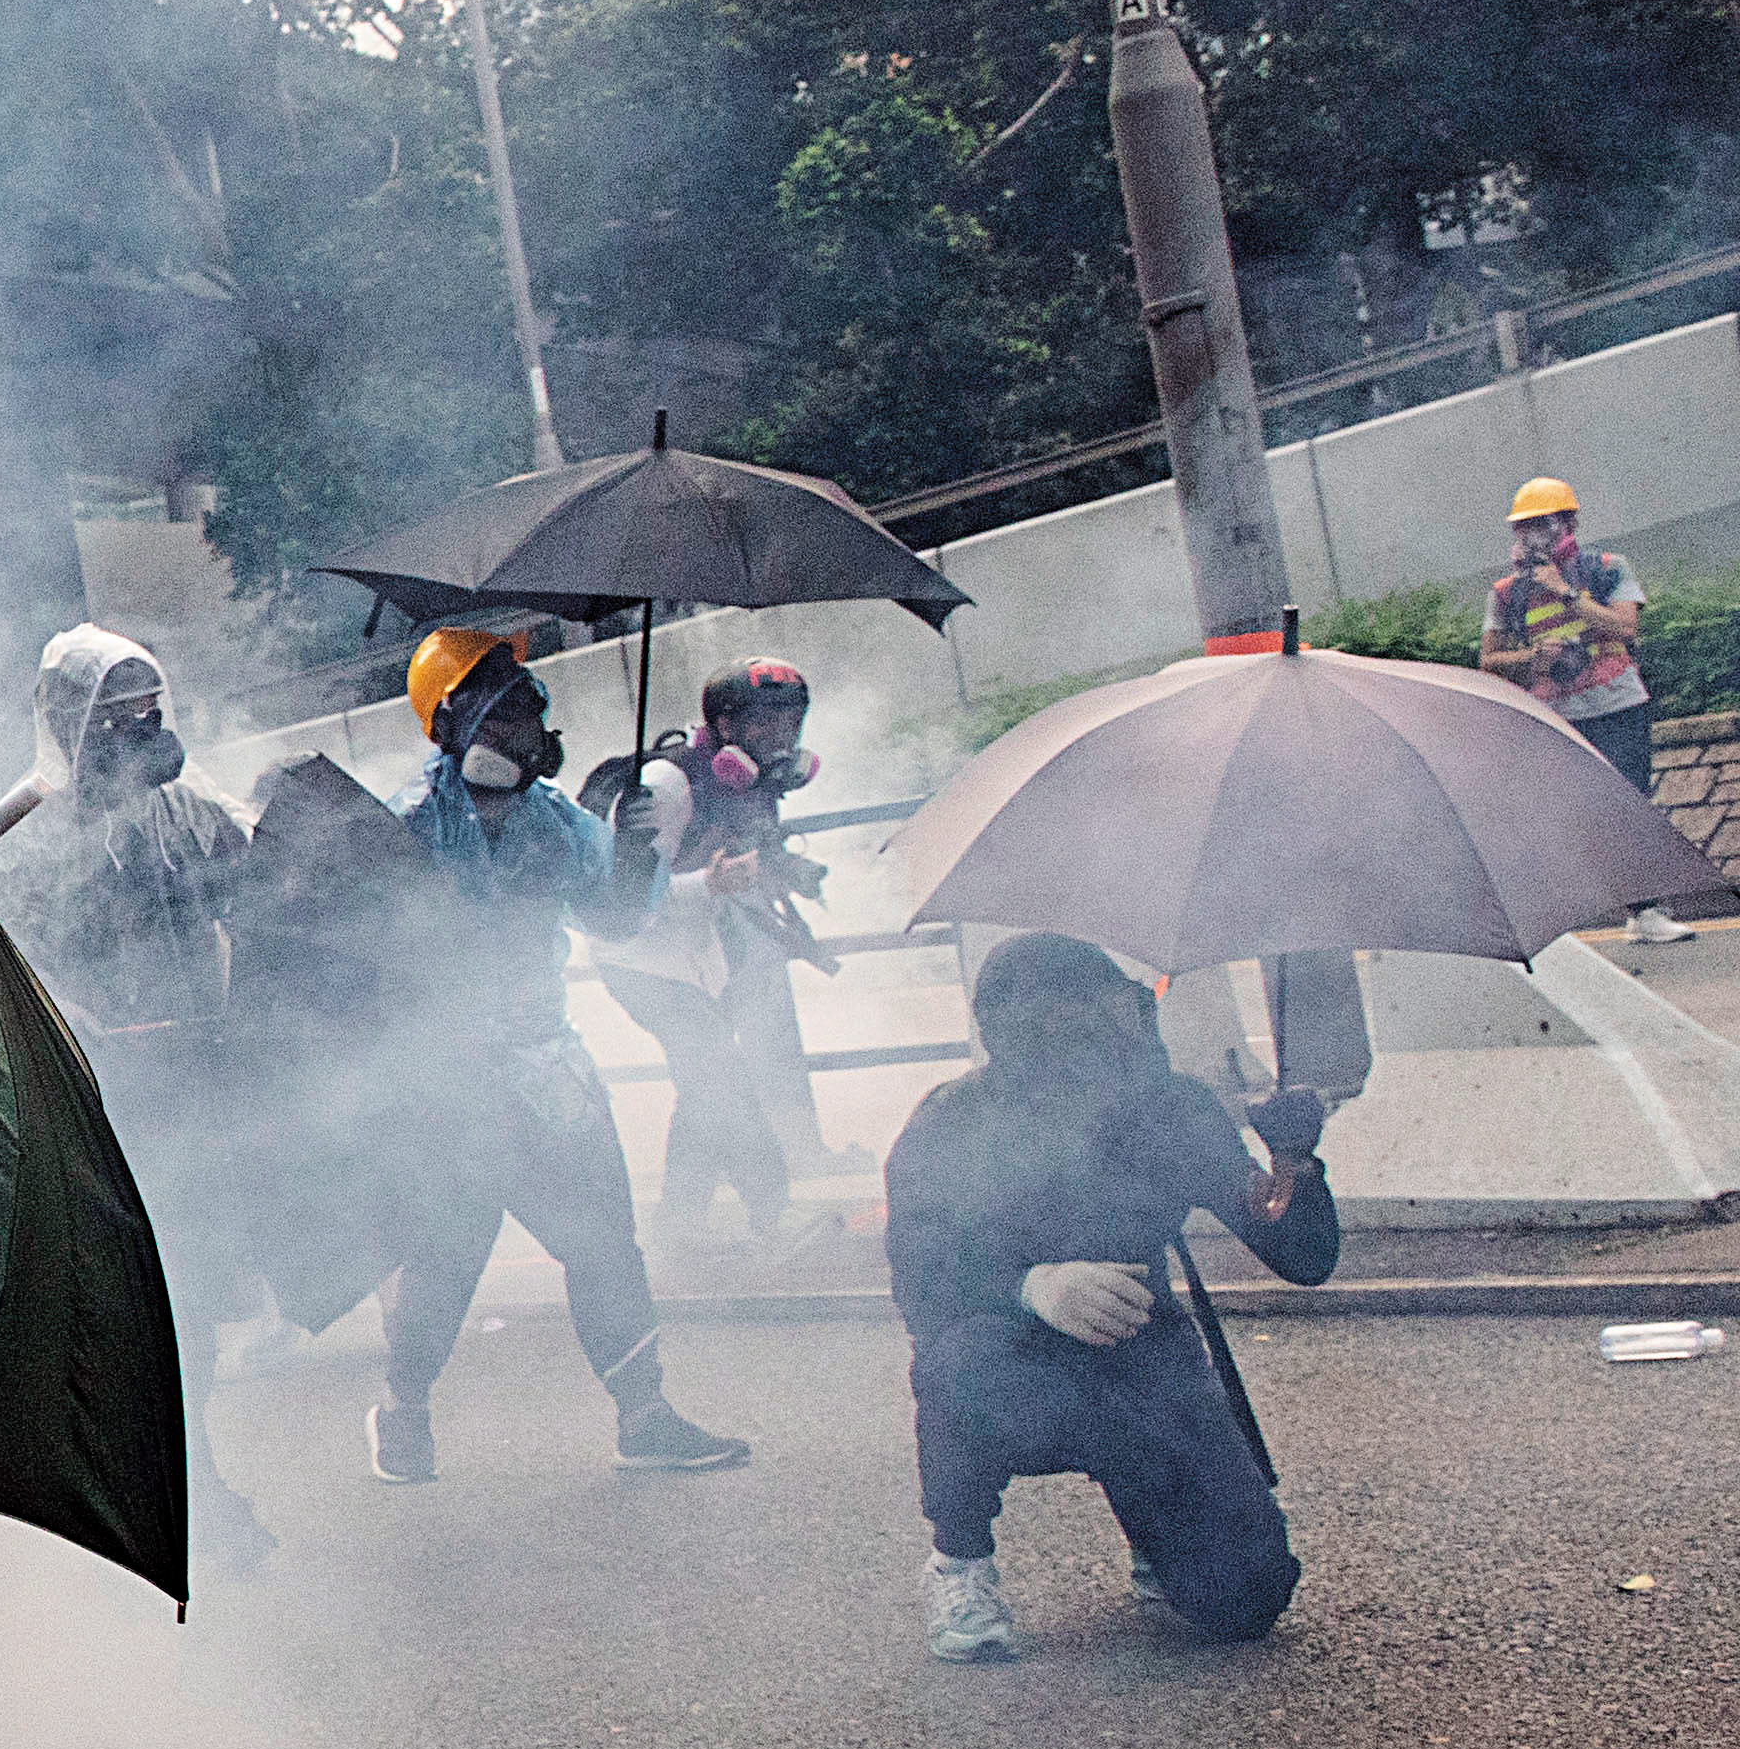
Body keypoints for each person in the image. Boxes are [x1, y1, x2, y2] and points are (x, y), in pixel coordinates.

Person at [881, 933, 1341, 1661]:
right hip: (1008, 1350)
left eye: (1096, 1015)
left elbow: (1301, 1256)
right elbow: (919, 1274)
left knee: (1247, 1598)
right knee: (956, 1362)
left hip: (1141, 1348)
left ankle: (1157, 1529)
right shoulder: (952, 1119)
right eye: (1055, 1021)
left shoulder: (1169, 1110)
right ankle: (959, 1558)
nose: (1082, 1041)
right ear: (1004, 1031)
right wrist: (1032, 1288)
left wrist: (1295, 1159)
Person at [371, 630, 752, 1484]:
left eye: (531, 700)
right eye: (508, 706)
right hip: (446, 1085)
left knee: (606, 1245)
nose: (533, 717)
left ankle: (644, 1416)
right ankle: (403, 1406)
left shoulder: (554, 820)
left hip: (547, 1070)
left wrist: (632, 852)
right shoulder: (405, 828)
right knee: (446, 1259)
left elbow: (615, 920)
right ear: (455, 723)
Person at [0, 630, 280, 1578]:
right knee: (124, 1311)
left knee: (188, 1304)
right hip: (95, 1112)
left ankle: (186, 1480)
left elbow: (268, 897)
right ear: (69, 725)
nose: (140, 731)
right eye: (116, 716)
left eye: (150, 711)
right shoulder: (26, 838)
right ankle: (147, 1496)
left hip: (194, 1097)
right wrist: (82, 1032)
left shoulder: (187, 816)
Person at [588, 657, 837, 1249]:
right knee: (722, 1081)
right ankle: (774, 1216)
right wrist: (717, 882)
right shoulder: (667, 786)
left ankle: (679, 1225)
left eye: (791, 721)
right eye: (765, 722)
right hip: (640, 963)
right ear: (725, 726)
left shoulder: (755, 787)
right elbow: (622, 904)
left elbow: (743, 867)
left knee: (703, 1087)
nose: (782, 737)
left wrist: (783, 874)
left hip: (698, 960)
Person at [1484, 479, 1678, 937]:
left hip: (1618, 705)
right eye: (1524, 526)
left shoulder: (1609, 568)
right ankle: (1558, 921)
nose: (1533, 535)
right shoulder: (1507, 592)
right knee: (1569, 816)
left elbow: (1626, 629)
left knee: (1631, 807)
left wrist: (1567, 593)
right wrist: (1534, 659)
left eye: (1543, 522)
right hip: (1558, 714)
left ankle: (1644, 913)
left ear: (1569, 522)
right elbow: (1489, 660)